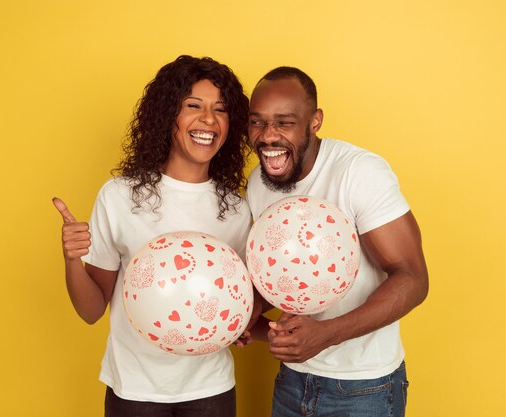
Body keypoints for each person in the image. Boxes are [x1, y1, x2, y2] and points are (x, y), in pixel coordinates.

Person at [53, 55, 254, 417]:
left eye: (220, 110)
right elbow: (91, 310)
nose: (208, 119)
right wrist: (71, 260)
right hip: (134, 390)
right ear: (167, 115)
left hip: (211, 389)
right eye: (193, 105)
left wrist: (240, 323)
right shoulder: (119, 196)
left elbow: (240, 301)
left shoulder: (237, 210)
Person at [245, 66, 429, 417]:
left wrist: (326, 334)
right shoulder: (259, 183)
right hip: (292, 380)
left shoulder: (359, 173)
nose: (268, 136)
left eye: (284, 122)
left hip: (364, 388)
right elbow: (280, 272)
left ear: (314, 121)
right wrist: (242, 318)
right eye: (257, 122)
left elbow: (413, 278)